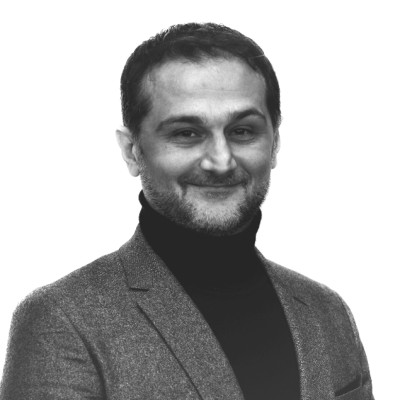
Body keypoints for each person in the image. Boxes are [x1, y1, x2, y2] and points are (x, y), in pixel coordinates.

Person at [0, 23, 373, 400]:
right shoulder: (63, 319)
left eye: (243, 131)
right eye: (186, 133)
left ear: (274, 143)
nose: (221, 161)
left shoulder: (328, 313)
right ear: (131, 151)